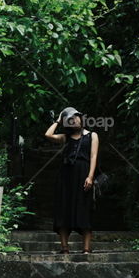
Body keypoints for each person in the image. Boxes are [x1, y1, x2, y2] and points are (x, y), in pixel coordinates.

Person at [44, 107, 99, 254]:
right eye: (70, 119)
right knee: (63, 209)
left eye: (75, 117)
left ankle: (86, 249)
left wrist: (90, 176)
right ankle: (64, 248)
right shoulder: (65, 137)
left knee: (84, 209)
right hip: (65, 176)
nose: (73, 120)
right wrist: (58, 119)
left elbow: (93, 156)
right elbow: (48, 135)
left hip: (83, 175)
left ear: (81, 118)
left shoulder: (92, 135)